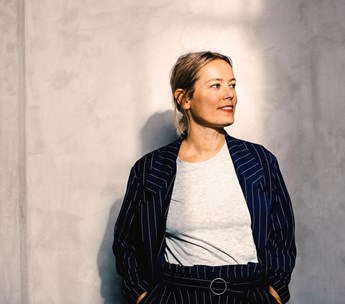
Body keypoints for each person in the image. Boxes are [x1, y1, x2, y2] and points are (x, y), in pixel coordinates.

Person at [113, 51, 296, 304]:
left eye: (232, 85)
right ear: (184, 98)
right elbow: (127, 245)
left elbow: (282, 238)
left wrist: (274, 294)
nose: (229, 93)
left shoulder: (260, 161)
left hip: (247, 293)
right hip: (178, 294)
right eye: (216, 85)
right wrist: (143, 297)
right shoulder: (150, 169)